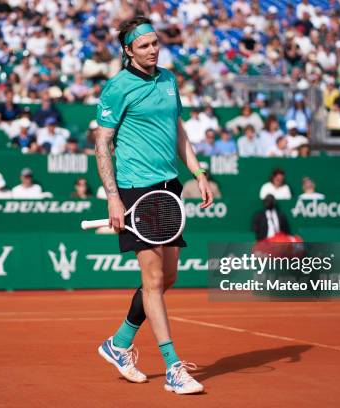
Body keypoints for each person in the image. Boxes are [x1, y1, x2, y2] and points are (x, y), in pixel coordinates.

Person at [94, 16, 212, 395]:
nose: (152, 49)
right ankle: (174, 368)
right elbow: (102, 144)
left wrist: (198, 171)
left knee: (169, 278)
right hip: (135, 191)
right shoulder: (117, 87)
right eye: (143, 45)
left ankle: (118, 343)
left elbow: (178, 129)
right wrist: (114, 196)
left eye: (155, 43)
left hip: (169, 187)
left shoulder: (168, 79)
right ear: (128, 50)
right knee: (154, 281)